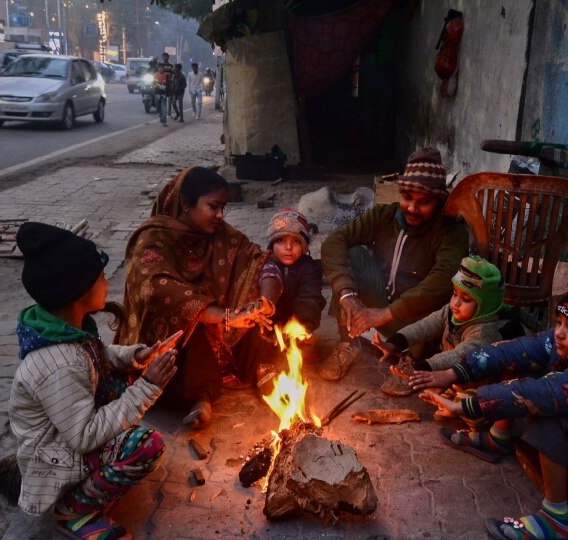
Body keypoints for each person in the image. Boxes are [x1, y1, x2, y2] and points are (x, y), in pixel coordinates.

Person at [420, 273, 568, 540]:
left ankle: (555, 519)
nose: (559, 332)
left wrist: (467, 406)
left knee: (549, 415)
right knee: (518, 365)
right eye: (559, 322)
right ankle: (498, 440)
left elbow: (545, 393)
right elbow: (516, 350)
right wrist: (455, 372)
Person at [9, 222, 178, 538]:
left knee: (123, 379)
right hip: (53, 460)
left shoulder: (66, 330)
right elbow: (84, 436)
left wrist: (136, 356)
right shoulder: (58, 363)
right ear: (78, 290)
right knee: (147, 445)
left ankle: (91, 486)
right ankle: (74, 509)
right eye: (100, 277)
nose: (106, 281)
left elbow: (97, 354)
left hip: (65, 437)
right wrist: (148, 386)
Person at [114, 166, 274, 429]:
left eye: (223, 208)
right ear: (186, 204)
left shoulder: (221, 234)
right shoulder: (152, 239)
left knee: (267, 308)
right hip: (171, 340)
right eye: (213, 206)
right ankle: (202, 398)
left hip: (220, 329)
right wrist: (220, 316)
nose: (220, 215)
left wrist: (265, 300)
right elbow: (157, 288)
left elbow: (257, 259)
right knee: (192, 326)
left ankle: (264, 369)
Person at [320, 147, 468, 381]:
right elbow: (334, 242)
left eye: (424, 202)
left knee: (440, 300)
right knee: (353, 253)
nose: (412, 208)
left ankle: (409, 361)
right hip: (378, 303)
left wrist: (387, 313)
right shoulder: (384, 216)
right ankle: (349, 343)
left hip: (414, 317)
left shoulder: (451, 232)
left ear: (438, 201)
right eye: (407, 197)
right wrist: (347, 294)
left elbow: (442, 281)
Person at [373, 255, 504, 396]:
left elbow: (459, 355)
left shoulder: (484, 331)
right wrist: (394, 343)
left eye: (466, 299)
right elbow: (425, 326)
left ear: (484, 307)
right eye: (455, 294)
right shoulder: (450, 311)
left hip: (475, 375)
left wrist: (422, 367)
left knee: (473, 394)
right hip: (447, 365)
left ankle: (458, 399)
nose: (456, 302)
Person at [258, 209, 327, 370]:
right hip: (271, 320)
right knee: (262, 351)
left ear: (304, 247)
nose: (288, 247)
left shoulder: (309, 267)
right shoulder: (264, 265)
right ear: (271, 244)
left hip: (297, 321)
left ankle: (299, 340)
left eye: (296, 242)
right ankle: (270, 341)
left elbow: (310, 298)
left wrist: (304, 327)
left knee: (307, 353)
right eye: (281, 240)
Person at [154, 52, 173, 126]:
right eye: (164, 56)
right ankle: (161, 115)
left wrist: (169, 92)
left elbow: (168, 83)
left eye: (166, 56)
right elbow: (153, 83)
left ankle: (164, 120)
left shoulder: (169, 68)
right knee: (158, 107)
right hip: (157, 92)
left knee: (164, 106)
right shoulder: (155, 75)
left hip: (164, 93)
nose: (165, 58)